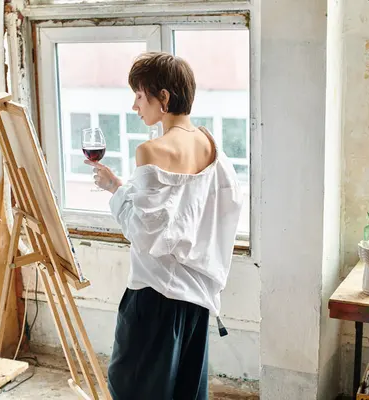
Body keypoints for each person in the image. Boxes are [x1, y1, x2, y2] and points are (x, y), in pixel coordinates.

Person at [84, 52, 243, 400]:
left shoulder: (151, 150)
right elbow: (198, 209)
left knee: (133, 388)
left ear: (164, 98)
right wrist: (118, 186)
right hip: (196, 297)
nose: (134, 106)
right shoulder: (209, 145)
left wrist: (116, 196)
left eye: (140, 96)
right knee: (185, 392)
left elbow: (145, 234)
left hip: (154, 296)